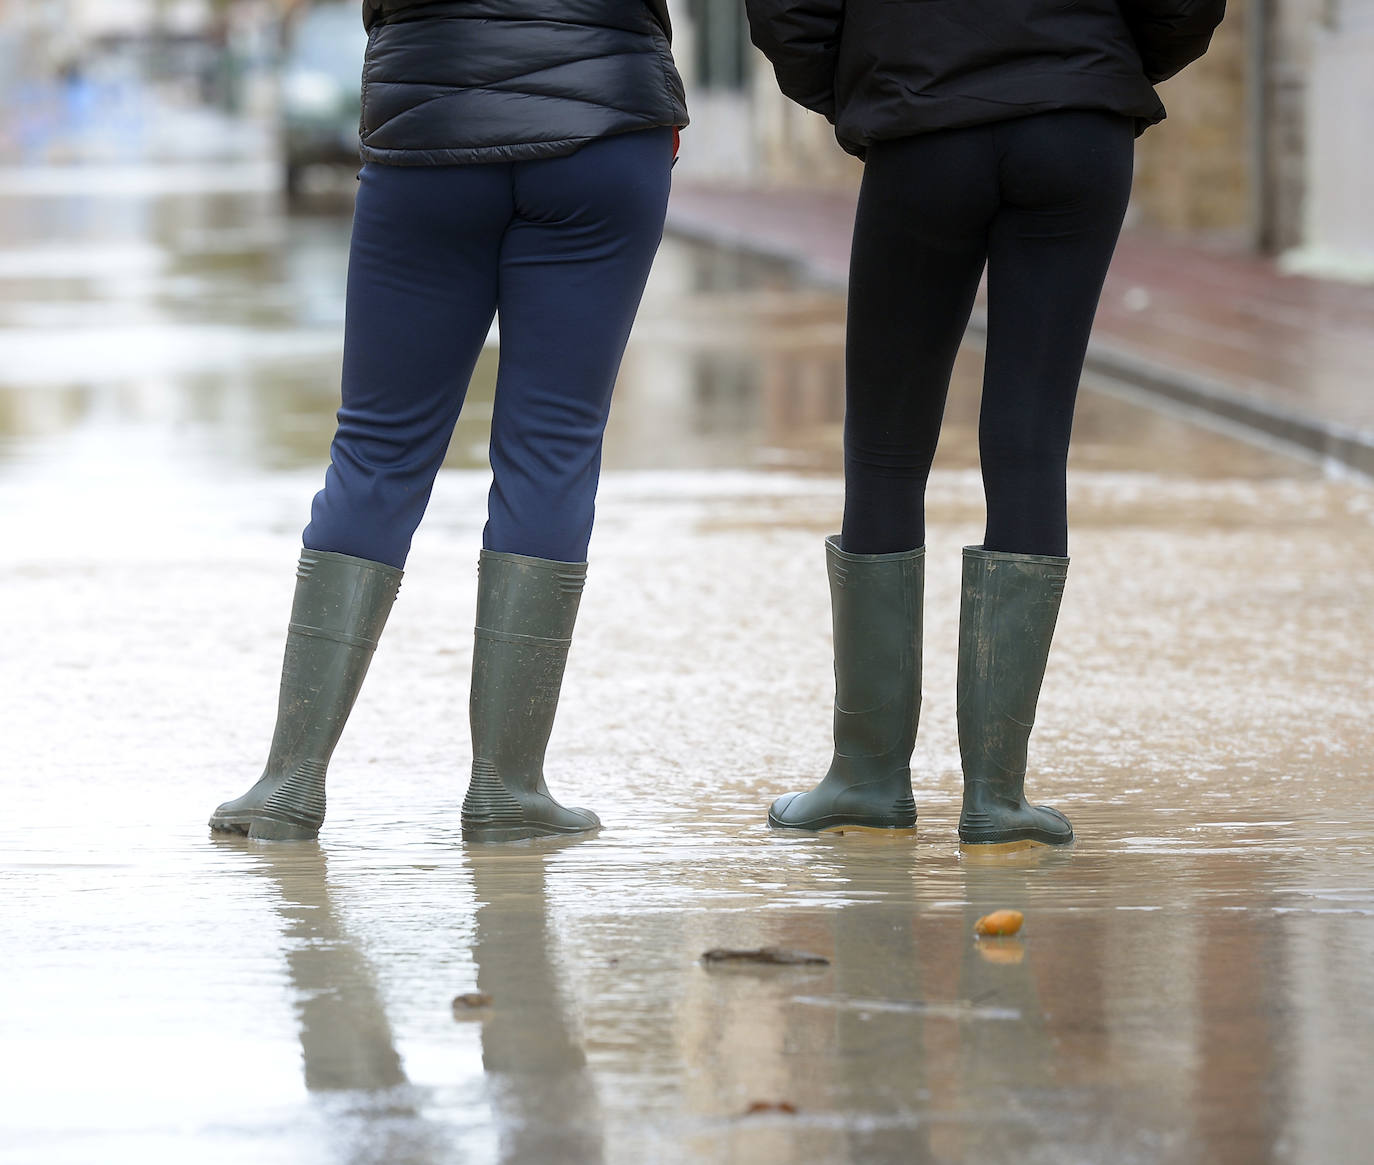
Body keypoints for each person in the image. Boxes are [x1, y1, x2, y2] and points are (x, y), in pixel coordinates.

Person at [746, 0, 1225, 844]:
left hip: (923, 118)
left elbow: (788, 8)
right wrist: (1093, 64)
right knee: (1031, 441)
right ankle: (997, 797)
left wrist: (861, 82)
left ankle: (867, 775)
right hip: (1076, 123)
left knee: (887, 449)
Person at [211, 0, 687, 844]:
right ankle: (508, 788)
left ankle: (286, 786)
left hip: (427, 118)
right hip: (608, 122)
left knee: (377, 447)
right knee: (553, 447)